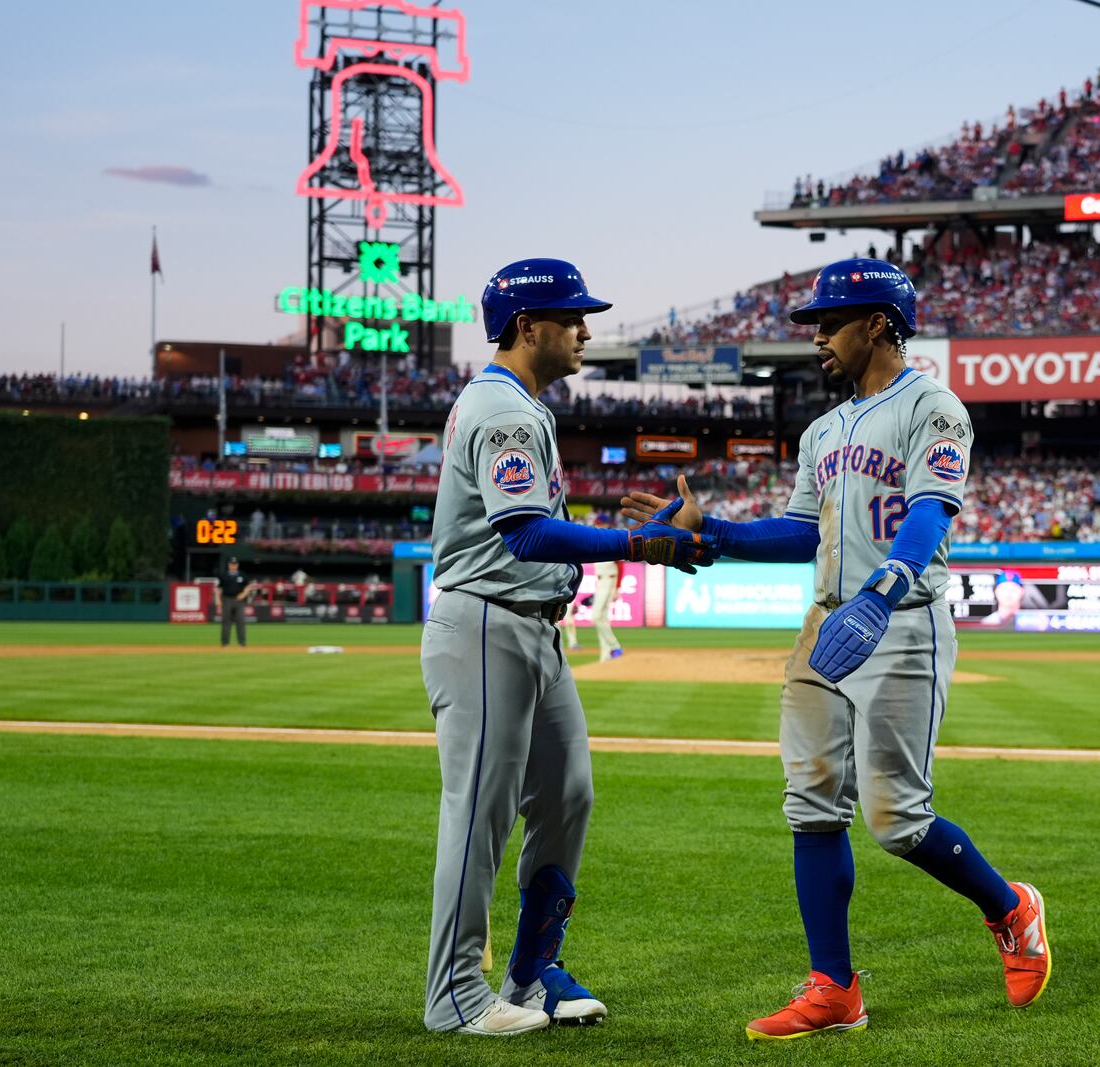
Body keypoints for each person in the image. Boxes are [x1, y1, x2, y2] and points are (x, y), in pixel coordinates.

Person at [621, 258, 1050, 1041]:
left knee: (898, 822)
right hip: (825, 624)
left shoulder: (933, 405)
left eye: (829, 321)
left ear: (879, 323)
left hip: (900, 620)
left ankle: (1011, 907)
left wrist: (883, 591)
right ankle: (833, 990)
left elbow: (931, 510)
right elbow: (798, 531)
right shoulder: (822, 430)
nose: (815, 337)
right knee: (811, 806)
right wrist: (710, 533)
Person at [421, 258, 717, 1039]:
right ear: (528, 327)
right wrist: (637, 541)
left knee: (568, 794)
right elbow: (522, 530)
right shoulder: (505, 410)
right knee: (479, 811)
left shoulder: (523, 407)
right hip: (487, 619)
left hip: (532, 626)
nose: (586, 328)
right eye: (572, 316)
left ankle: (528, 972)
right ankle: (454, 993)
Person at [590, 514, 622, 661]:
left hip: (610, 579)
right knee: (602, 618)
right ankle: (606, 654)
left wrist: (617, 587)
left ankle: (615, 646)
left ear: (605, 524)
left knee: (596, 616)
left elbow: (620, 565)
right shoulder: (597, 540)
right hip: (602, 580)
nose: (597, 526)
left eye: (599, 523)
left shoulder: (611, 539)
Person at [215, 557, 258, 648]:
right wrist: (217, 599)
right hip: (227, 599)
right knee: (226, 621)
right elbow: (218, 588)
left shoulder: (242, 575)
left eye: (235, 564)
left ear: (237, 565)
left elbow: (248, 586)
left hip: (239, 601)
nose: (233, 566)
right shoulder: (223, 575)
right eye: (231, 564)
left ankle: (242, 643)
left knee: (240, 621)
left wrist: (244, 594)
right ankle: (225, 643)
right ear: (229, 565)